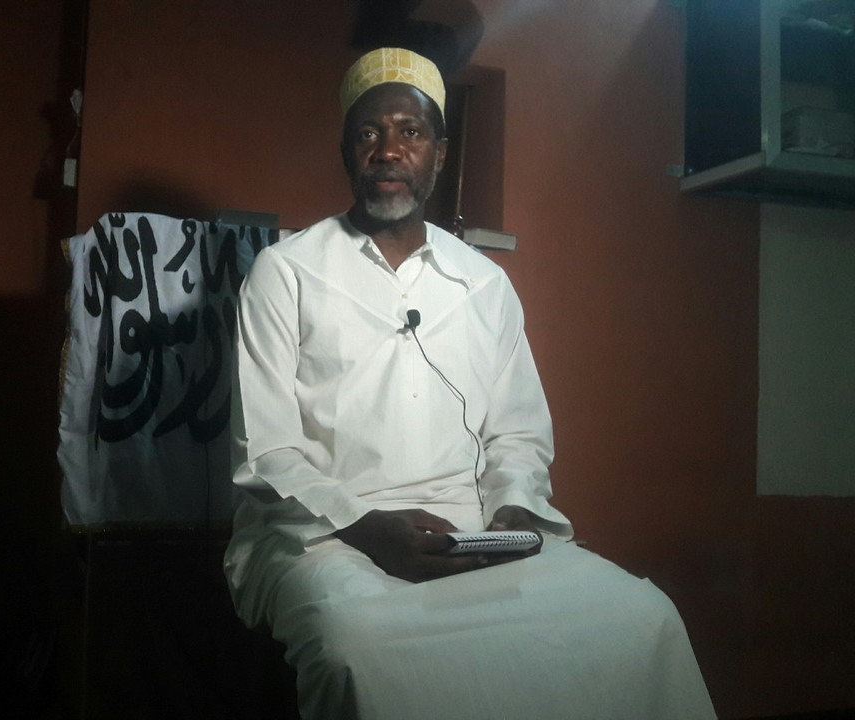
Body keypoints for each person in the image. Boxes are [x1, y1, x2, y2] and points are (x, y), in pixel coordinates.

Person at [224, 47, 716, 720]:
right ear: (346, 152)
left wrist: (513, 512)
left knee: (644, 616)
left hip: (470, 531)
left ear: (440, 153)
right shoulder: (285, 272)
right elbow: (268, 453)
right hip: (329, 537)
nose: (388, 150)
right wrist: (370, 529)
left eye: (410, 131)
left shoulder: (484, 283)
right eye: (368, 133)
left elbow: (516, 433)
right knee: (358, 651)